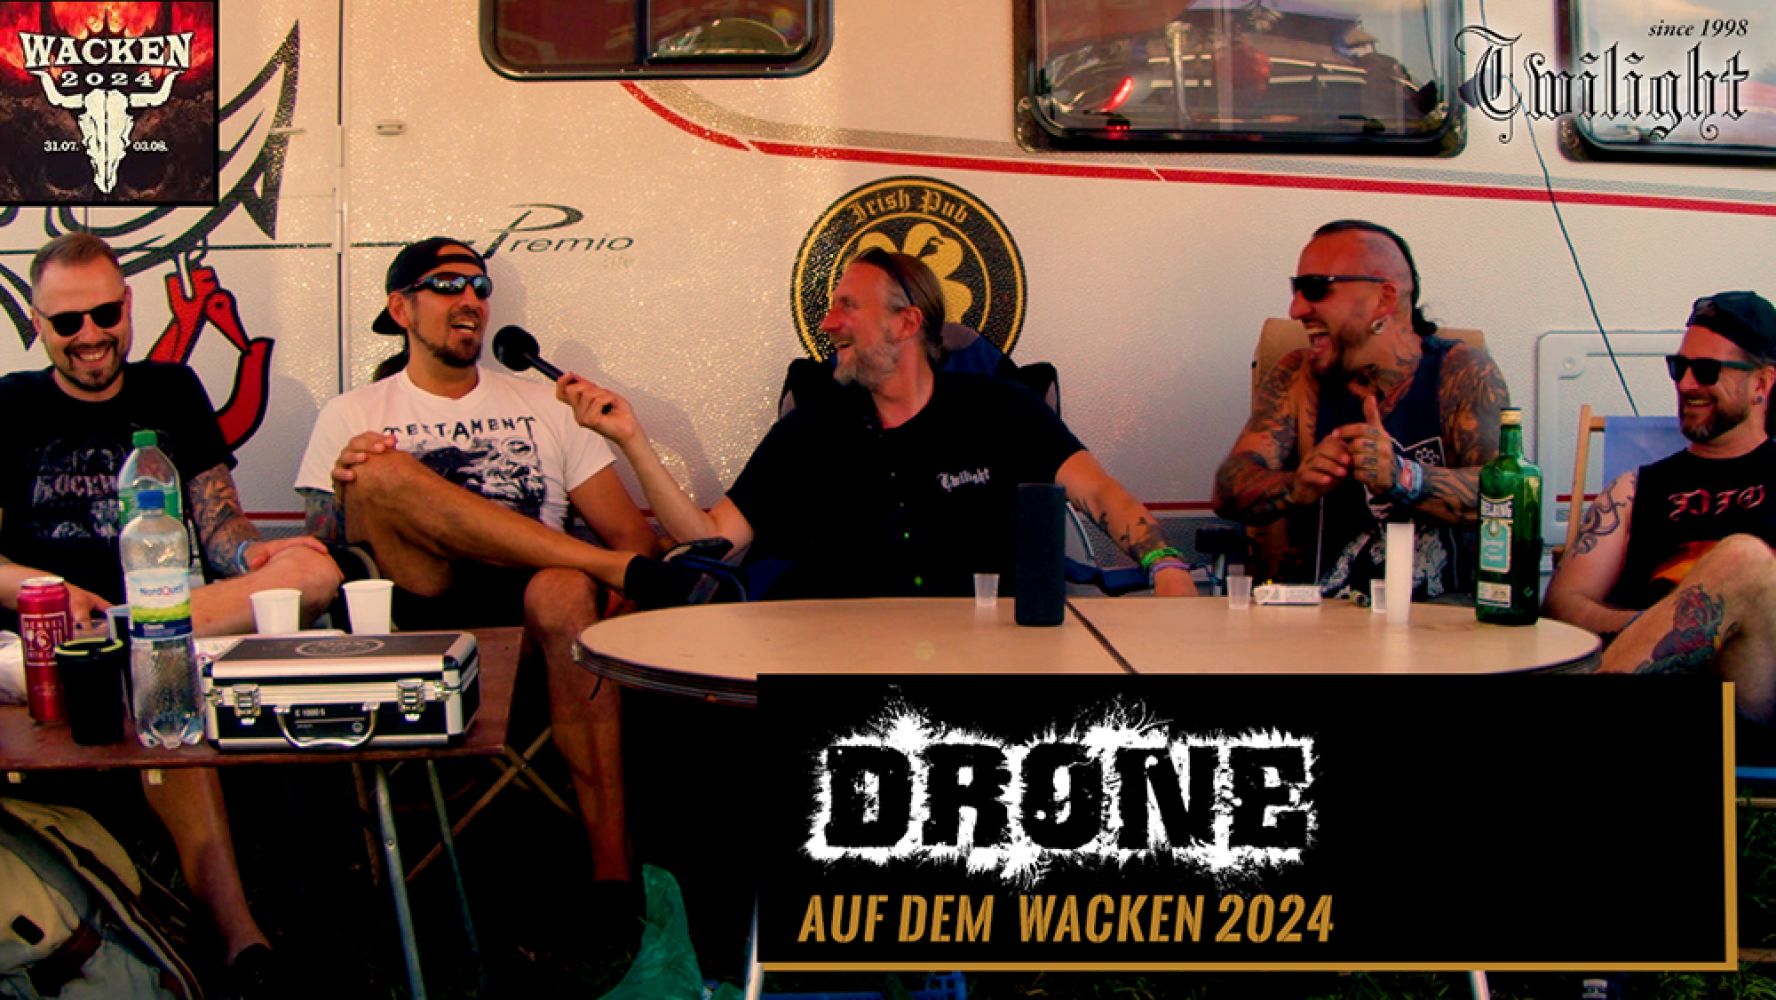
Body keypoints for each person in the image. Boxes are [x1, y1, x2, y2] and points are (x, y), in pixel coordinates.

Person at [0, 232, 344, 992]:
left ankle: (133, 640)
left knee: (312, 570)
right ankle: (240, 938)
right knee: (164, 677)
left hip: (172, 618)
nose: (90, 335)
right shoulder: (11, 403)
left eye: (104, 314)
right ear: (38, 323)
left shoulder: (171, 389)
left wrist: (256, 556)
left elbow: (219, 525)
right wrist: (44, 591)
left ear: (129, 305)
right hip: (58, 646)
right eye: (67, 322)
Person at [293, 237, 662, 895]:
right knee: (379, 470)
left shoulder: (544, 405)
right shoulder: (354, 414)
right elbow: (321, 551)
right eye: (446, 285)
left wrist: (624, 593)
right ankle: (583, 563)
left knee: (565, 590)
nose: (469, 299)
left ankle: (611, 870)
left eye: (479, 286)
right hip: (420, 610)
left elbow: (632, 540)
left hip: (535, 624)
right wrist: (354, 490)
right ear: (400, 309)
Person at [558, 248, 1198, 601]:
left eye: (847, 307)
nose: (828, 323)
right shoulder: (811, 428)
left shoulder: (1003, 409)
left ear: (906, 322)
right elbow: (708, 539)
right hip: (838, 662)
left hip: (986, 660)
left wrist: (1165, 561)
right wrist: (633, 441)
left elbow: (1101, 494)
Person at [1212, 220, 1510, 601]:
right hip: (1313, 620)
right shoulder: (1297, 376)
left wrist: (1402, 477)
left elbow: (1508, 497)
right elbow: (1228, 491)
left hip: (1438, 621)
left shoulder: (1462, 372)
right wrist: (1297, 485)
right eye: (1296, 289)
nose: (1296, 308)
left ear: (1383, 300)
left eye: (1316, 288)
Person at [1545, 291, 1776, 721]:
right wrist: (1665, 628)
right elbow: (1563, 603)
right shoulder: (1634, 490)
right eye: (1678, 367)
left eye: (1705, 370)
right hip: (1658, 682)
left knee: (1745, 559)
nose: (1686, 384)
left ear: (1761, 384)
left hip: (1752, 697)